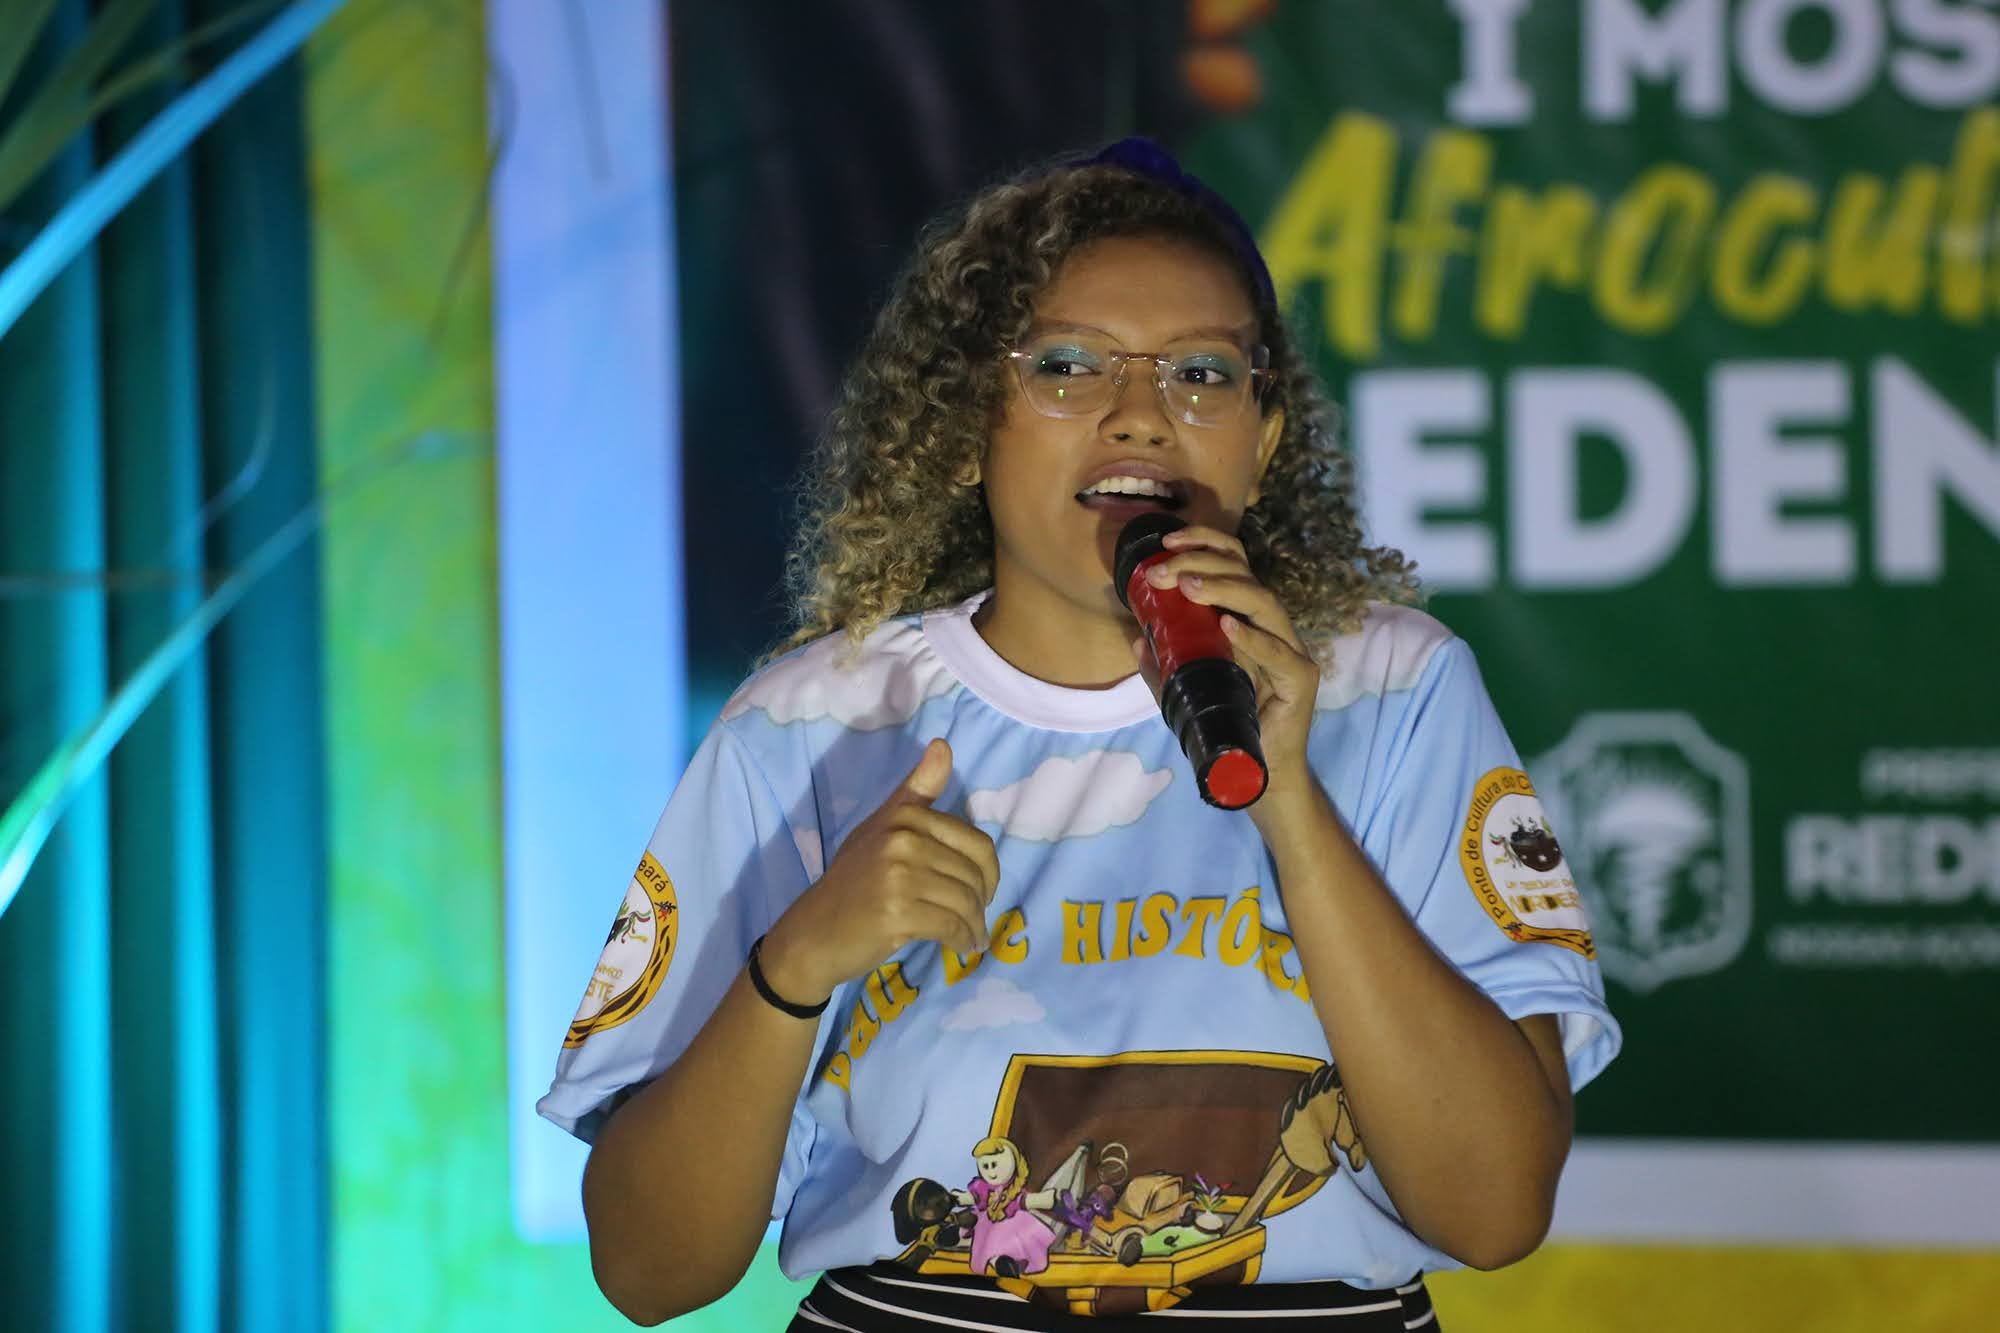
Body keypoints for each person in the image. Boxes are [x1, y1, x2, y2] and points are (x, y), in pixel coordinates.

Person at [538, 139, 1621, 1330]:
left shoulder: (1394, 689)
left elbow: (1493, 1212)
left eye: (1200, 374)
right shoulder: (813, 726)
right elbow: (646, 1271)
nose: (1140, 417)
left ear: (1261, 438)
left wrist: (1292, 808)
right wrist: (794, 965)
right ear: (967, 424)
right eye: (1066, 366)